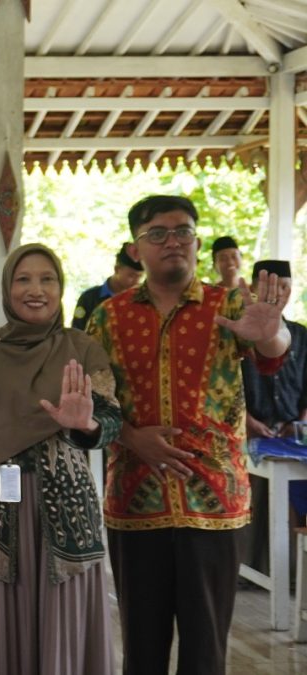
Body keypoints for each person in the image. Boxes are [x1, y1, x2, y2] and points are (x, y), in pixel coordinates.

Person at [86, 195, 291, 675]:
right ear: (137, 249)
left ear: (197, 242)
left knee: (205, 652)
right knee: (142, 649)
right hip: (135, 501)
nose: (172, 241)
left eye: (182, 232)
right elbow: (94, 405)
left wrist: (270, 332)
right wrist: (132, 438)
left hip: (214, 502)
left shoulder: (232, 304)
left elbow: (273, 352)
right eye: (157, 233)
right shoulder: (107, 317)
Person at [0, 243, 120, 674]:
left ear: (60, 287)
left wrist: (85, 424)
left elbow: (112, 423)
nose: (35, 289)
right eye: (23, 279)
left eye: (47, 279)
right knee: (0, 629)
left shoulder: (83, 348)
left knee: (64, 628)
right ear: (7, 288)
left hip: (66, 519)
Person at [238, 260, 307, 575]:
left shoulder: (301, 335)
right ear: (253, 288)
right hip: (249, 431)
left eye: (283, 286)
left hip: (293, 431)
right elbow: (228, 385)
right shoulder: (240, 333)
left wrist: (302, 419)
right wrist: (247, 421)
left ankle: (292, 572)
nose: (276, 292)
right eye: (269, 285)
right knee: (256, 498)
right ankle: (250, 569)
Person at [70, 242, 143, 330]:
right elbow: (77, 333)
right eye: (131, 275)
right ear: (117, 269)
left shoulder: (141, 301)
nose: (137, 281)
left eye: (140, 277)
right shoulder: (89, 298)